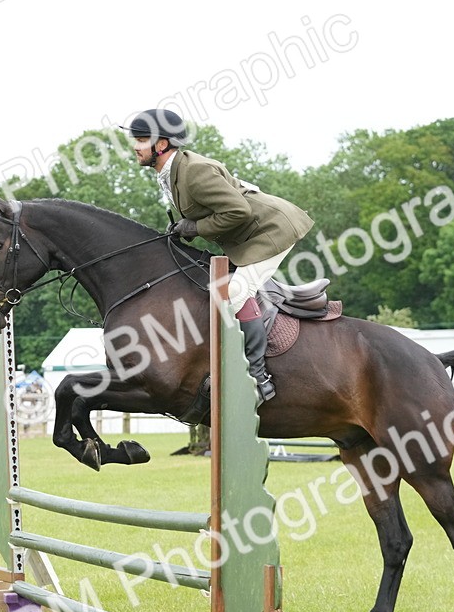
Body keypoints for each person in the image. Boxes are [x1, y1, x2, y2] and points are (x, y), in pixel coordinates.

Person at [122, 108, 314, 403]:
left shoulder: (194, 171)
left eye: (141, 139)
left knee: (234, 292)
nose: (135, 145)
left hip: (273, 229)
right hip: (247, 236)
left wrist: (194, 227)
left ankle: (259, 379)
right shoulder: (171, 171)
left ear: (162, 144)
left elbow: (239, 211)